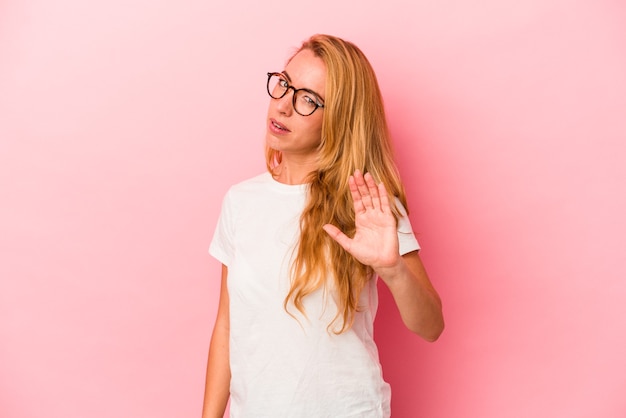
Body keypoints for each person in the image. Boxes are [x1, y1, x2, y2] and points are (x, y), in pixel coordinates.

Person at [202, 34, 444, 418]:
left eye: (308, 99)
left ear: (340, 120)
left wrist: (394, 270)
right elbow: (227, 326)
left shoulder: (368, 206)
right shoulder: (240, 202)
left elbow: (431, 326)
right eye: (284, 84)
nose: (282, 105)